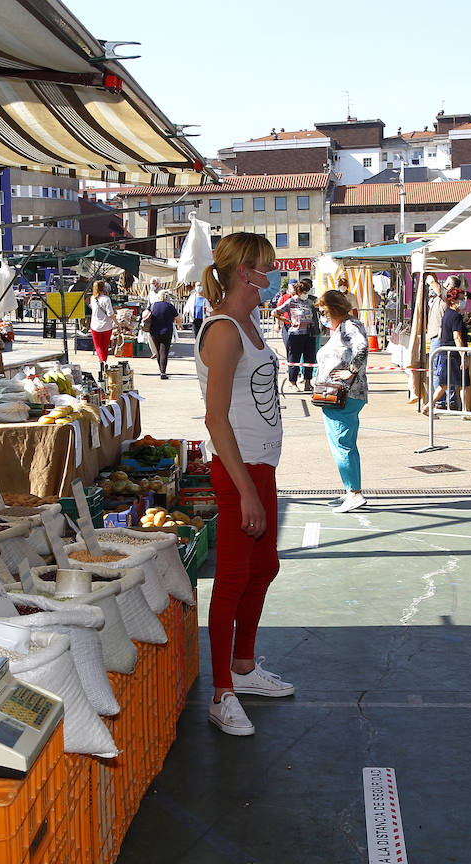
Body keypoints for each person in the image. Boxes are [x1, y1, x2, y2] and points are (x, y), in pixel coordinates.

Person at [195, 231, 292, 737]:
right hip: (239, 472)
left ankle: (245, 666)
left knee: (263, 567)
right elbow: (215, 419)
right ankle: (221, 692)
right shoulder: (225, 331)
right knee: (233, 578)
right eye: (265, 266)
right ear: (244, 272)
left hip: (259, 467)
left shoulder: (249, 325)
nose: (272, 274)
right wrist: (247, 490)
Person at [313, 290, 370, 513]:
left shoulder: (349, 327)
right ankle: (350, 489)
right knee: (344, 443)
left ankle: (354, 493)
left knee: (342, 444)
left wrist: (351, 371)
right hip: (340, 395)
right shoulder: (346, 327)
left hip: (343, 395)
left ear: (332, 310)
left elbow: (362, 347)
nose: (322, 316)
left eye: (323, 312)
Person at [425, 287, 469, 414]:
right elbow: (457, 336)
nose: (463, 301)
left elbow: (440, 334)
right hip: (454, 354)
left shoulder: (447, 314)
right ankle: (467, 412)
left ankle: (428, 406)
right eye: (461, 299)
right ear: (453, 301)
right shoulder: (456, 317)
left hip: (446, 353)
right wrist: (463, 355)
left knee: (444, 384)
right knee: (464, 384)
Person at [275, 279, 318, 393]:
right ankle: (292, 383)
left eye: (307, 291)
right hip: (296, 334)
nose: (306, 294)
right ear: (298, 291)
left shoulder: (309, 302)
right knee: (294, 358)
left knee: (310, 358)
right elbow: (275, 312)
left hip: (309, 334)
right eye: (304, 291)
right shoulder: (291, 302)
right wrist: (284, 319)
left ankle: (308, 382)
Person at [423, 279, 450, 409]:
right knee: (440, 371)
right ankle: (446, 400)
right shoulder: (441, 297)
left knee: (437, 372)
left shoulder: (446, 295)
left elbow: (438, 289)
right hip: (435, 337)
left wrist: (430, 278)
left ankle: (439, 401)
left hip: (439, 339)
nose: (444, 284)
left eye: (447, 283)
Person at [148, 291, 178, 379]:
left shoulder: (153, 305)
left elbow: (146, 314)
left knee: (158, 351)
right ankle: (163, 372)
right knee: (164, 351)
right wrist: (180, 325)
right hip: (166, 332)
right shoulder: (170, 306)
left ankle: (161, 369)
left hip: (154, 331)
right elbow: (177, 318)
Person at [88, 279, 114, 368]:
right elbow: (110, 313)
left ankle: (102, 361)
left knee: (98, 346)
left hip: (95, 326)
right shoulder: (106, 299)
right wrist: (117, 323)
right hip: (107, 325)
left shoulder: (92, 298)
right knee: (105, 345)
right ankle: (104, 361)